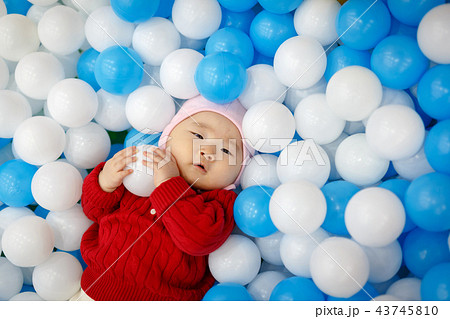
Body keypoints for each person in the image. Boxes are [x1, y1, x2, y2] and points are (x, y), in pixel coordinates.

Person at [70, 95, 253, 301]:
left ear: (238, 174)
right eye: (199, 136)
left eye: (226, 150)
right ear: (167, 138)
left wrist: (169, 183)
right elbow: (94, 213)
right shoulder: (138, 167)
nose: (208, 152)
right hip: (97, 289)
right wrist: (105, 182)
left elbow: (198, 239)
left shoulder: (219, 203)